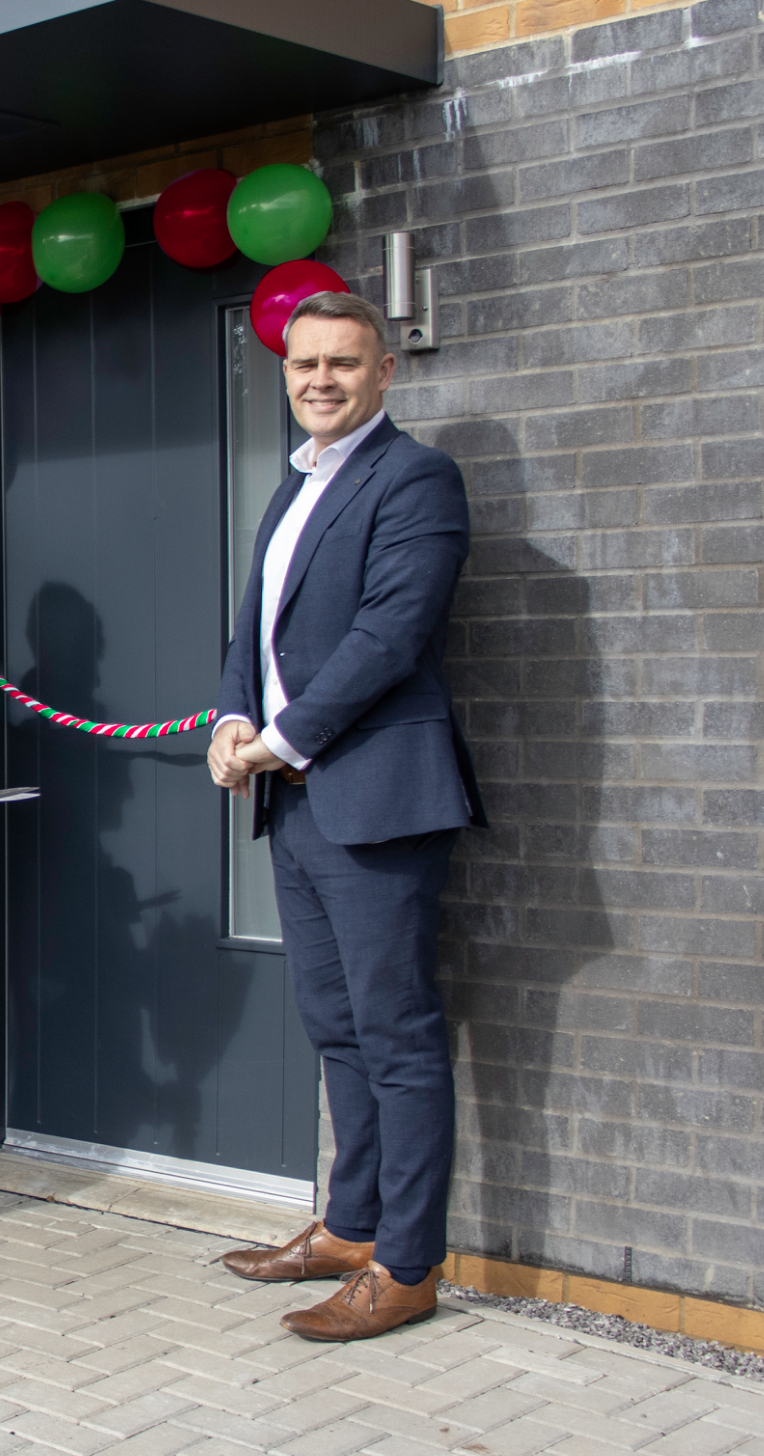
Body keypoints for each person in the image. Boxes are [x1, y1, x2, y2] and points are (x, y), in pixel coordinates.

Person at [206, 291, 485, 1343]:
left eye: (342, 363)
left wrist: (278, 740)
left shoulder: (415, 479)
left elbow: (388, 639)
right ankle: (352, 1225)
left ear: (385, 372)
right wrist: (234, 718)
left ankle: (408, 1265)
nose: (319, 380)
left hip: (376, 801)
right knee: (336, 1028)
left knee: (397, 1033)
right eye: (303, 365)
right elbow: (256, 632)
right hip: (301, 800)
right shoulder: (297, 484)